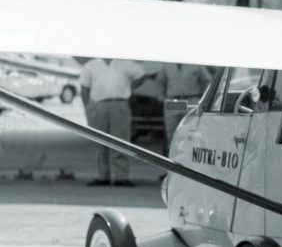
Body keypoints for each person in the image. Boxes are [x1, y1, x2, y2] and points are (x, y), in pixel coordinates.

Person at [79, 57, 146, 186]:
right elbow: (84, 89)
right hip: (99, 105)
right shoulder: (90, 65)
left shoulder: (125, 63)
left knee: (121, 141)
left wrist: (129, 87)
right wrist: (88, 108)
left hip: (119, 104)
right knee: (99, 142)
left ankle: (121, 177)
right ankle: (102, 176)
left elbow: (142, 74)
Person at [162, 63, 213, 151]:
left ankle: (188, 157)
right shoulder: (167, 65)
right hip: (173, 101)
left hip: (191, 100)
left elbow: (207, 80)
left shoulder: (196, 64)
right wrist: (161, 97)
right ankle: (172, 157)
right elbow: (160, 82)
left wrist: (204, 98)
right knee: (171, 135)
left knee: (191, 132)